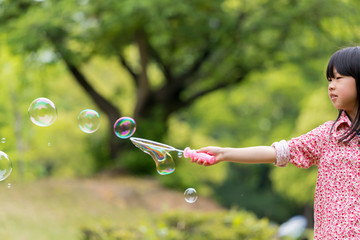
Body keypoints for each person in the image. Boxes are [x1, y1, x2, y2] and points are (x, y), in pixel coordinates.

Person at [191, 46, 360, 239]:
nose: (331, 86)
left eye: (339, 78)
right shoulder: (328, 135)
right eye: (329, 80)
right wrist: (223, 153)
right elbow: (277, 152)